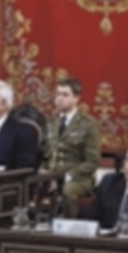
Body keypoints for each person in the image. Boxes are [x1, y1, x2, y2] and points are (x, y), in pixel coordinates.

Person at [42, 77, 101, 218]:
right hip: (52, 175)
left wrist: (65, 177)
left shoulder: (88, 124)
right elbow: (46, 152)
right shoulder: (51, 122)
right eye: (57, 94)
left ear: (76, 98)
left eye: (65, 95)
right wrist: (44, 170)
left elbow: (92, 162)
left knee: (68, 191)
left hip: (79, 178)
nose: (59, 99)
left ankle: (69, 228)